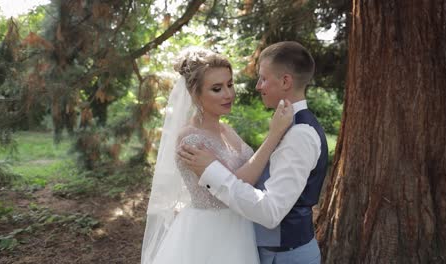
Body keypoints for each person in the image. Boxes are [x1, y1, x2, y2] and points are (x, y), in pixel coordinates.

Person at [179, 41, 328, 264]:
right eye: (218, 88)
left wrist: (213, 171)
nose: (257, 86)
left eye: (263, 78)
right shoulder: (286, 123)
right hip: (232, 243)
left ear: (286, 81)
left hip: (285, 255)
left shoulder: (299, 134)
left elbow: (270, 211)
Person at [141, 47, 294, 264]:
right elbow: (236, 183)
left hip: (239, 229)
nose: (228, 94)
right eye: (216, 88)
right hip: (209, 236)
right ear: (195, 94)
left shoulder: (226, 130)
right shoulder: (191, 141)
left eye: (229, 84)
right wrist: (274, 134)